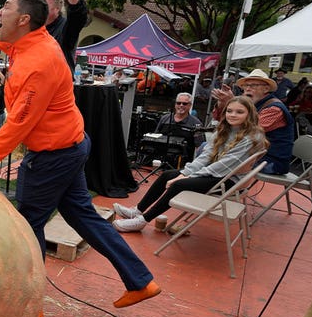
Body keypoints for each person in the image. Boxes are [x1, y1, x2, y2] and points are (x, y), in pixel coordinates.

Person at [0, 0, 160, 310]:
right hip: (69, 146)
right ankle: (140, 281)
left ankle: (31, 306)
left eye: (6, 7)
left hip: (54, 155)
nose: (0, 13)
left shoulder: (37, 63)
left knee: (27, 225)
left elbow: (16, 127)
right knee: (84, 216)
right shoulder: (26, 40)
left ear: (24, 19)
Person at [113, 96, 268, 232]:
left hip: (228, 181)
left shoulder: (251, 137)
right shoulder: (225, 130)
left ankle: (143, 220)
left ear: (249, 114)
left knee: (178, 185)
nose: (232, 115)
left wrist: (185, 178)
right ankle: (138, 210)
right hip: (216, 174)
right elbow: (206, 156)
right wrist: (185, 173)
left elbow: (223, 167)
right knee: (167, 175)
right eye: (229, 111)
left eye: (239, 112)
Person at [211, 68, 293, 175]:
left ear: (266, 89)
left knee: (214, 154)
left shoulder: (274, 109)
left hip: (271, 161)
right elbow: (221, 120)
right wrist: (223, 103)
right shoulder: (252, 104)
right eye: (246, 86)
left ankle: (210, 186)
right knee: (209, 149)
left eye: (253, 85)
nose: (247, 89)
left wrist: (232, 102)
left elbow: (247, 131)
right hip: (251, 153)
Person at [40, 0, 88, 73]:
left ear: (57, 8)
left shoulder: (65, 28)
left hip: (57, 85)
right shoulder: (33, 27)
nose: (39, 9)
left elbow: (78, 16)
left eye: (44, 5)